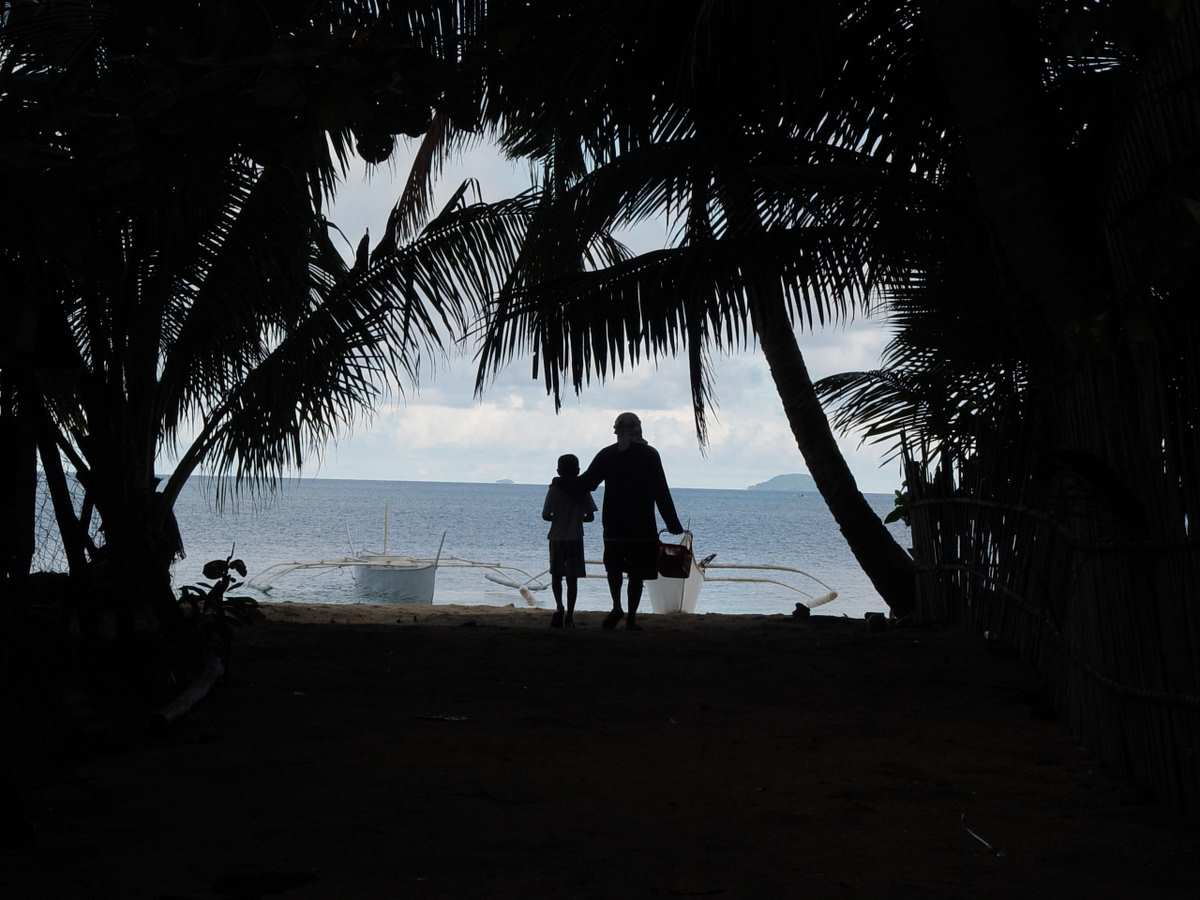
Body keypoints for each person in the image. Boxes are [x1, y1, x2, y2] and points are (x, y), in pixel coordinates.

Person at [580, 412, 683, 631]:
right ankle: (632, 618)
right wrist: (673, 523)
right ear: (639, 429)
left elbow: (587, 483)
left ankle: (617, 606)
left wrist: (562, 482)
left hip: (613, 524)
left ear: (616, 430)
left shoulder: (607, 455)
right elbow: (661, 491)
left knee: (614, 569)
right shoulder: (650, 455)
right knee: (636, 574)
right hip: (642, 525)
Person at [541, 453, 597, 628]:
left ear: (558, 470)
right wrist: (577, 518)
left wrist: (558, 518)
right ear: (578, 470)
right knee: (572, 579)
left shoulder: (554, 489)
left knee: (556, 576)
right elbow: (590, 517)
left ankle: (559, 608)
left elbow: (545, 515)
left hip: (557, 537)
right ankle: (570, 615)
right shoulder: (583, 489)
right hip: (575, 538)